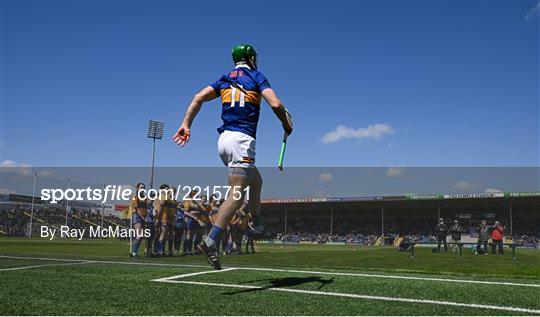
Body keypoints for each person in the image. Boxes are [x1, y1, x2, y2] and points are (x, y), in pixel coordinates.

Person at [173, 44, 293, 269]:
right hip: (241, 141)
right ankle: (210, 240)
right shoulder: (256, 76)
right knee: (236, 195)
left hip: (224, 141)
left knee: (256, 181)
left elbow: (198, 97)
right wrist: (286, 123)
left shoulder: (224, 79)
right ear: (250, 58)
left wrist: (185, 124)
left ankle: (257, 224)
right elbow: (275, 103)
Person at [129, 182, 147, 258]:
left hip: (143, 217)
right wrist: (143, 218)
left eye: (144, 187)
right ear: (137, 188)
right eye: (141, 187)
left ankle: (135, 252)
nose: (142, 189)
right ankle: (133, 253)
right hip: (137, 216)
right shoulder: (135, 197)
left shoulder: (145, 198)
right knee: (139, 235)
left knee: (141, 236)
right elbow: (137, 209)